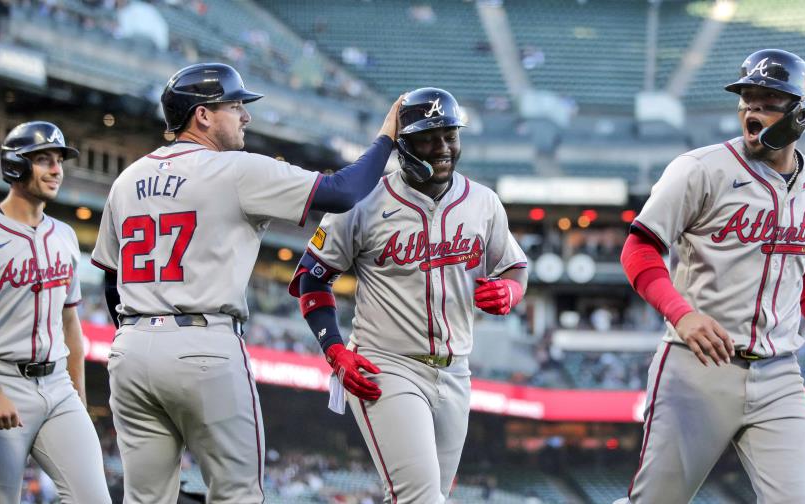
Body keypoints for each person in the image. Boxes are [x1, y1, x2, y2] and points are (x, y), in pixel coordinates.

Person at [90, 62, 402, 503]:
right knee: (238, 495)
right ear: (202, 115)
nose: (246, 116)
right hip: (204, 346)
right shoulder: (233, 169)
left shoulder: (126, 180)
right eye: (235, 105)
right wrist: (386, 137)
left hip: (130, 351)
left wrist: (138, 334)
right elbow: (342, 192)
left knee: (145, 499)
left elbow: (111, 279)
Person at [617, 49, 805, 503]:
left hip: (780, 373)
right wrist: (682, 315)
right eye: (747, 98)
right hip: (696, 367)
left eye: (768, 101)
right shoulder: (700, 169)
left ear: (800, 113)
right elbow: (639, 248)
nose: (752, 110)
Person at [289, 87, 528, 503]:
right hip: (386, 364)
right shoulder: (361, 201)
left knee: (428, 496)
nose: (443, 148)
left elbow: (515, 267)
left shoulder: (484, 203)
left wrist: (510, 290)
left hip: (456, 371)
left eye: (449, 135)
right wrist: (334, 350)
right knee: (419, 497)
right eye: (428, 137)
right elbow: (312, 277)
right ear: (403, 145)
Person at [0, 121, 111, 503]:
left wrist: (78, 396)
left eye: (59, 160)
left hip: (58, 387)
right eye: (44, 160)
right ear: (15, 166)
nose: (56, 169)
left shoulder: (64, 235)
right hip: (0, 383)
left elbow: (70, 325)